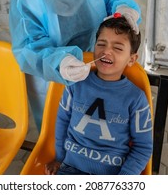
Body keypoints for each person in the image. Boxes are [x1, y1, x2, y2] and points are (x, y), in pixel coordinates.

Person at [9, 0, 141, 131]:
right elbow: (27, 49)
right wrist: (58, 64)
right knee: (60, 131)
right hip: (55, 78)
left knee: (101, 130)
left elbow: (119, 0)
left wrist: (125, 11)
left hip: (101, 65)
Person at [45, 14, 153, 175]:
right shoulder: (76, 83)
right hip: (69, 168)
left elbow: (143, 147)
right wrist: (60, 158)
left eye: (117, 48)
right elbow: (62, 121)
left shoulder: (136, 99)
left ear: (132, 59)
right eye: (101, 44)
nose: (106, 51)